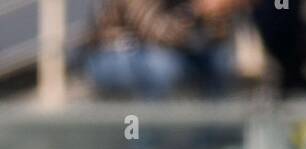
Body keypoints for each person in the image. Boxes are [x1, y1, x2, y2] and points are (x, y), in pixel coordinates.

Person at [77, 0, 236, 97]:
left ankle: (210, 144)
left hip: (170, 49)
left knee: (218, 59)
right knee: (162, 66)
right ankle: (147, 146)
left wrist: (217, 13)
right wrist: (197, 10)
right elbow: (153, 31)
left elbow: (219, 37)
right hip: (109, 56)